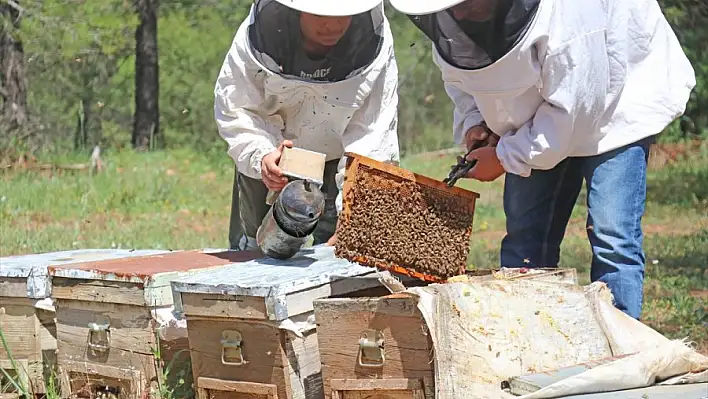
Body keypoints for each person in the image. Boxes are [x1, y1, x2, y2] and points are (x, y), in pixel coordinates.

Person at [388, 0, 696, 319]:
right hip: (549, 111)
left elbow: (574, 110)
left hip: (615, 106)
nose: (460, 13)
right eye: (453, 6)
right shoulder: (456, 23)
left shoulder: (571, 21)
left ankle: (622, 346)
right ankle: (527, 338)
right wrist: (476, 121)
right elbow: (461, 79)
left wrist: (505, 157)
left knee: (612, 236)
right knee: (525, 239)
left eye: (467, 2)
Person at [214, 0, 401, 251]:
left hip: (340, 160)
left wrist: (355, 217)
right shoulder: (257, 38)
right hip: (273, 158)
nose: (333, 25)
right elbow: (237, 107)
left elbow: (373, 133)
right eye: (320, 13)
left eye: (344, 13)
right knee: (258, 254)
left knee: (340, 258)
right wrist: (261, 155)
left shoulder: (373, 43)